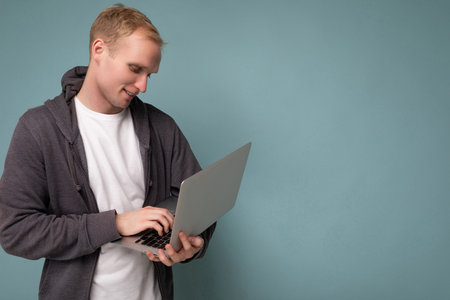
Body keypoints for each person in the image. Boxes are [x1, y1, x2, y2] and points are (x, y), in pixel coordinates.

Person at [0, 5, 215, 300]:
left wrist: (192, 245)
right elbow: (16, 231)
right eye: (135, 69)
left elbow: (200, 206)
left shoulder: (162, 127)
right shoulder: (38, 128)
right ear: (99, 50)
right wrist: (114, 224)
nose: (143, 86)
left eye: (149, 74)